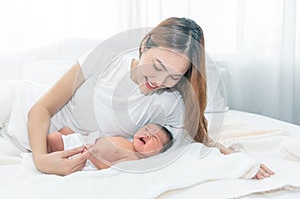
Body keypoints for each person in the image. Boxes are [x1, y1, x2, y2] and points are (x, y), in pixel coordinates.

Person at [27, 17, 274, 179]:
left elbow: (198, 140)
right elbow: (41, 108)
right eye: (157, 65)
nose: (159, 81)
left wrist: (238, 160)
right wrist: (41, 160)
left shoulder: (169, 102)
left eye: (173, 76)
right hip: (32, 120)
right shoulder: (106, 58)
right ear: (145, 45)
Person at [47, 124, 174, 170]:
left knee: (53, 138)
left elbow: (108, 167)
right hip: (86, 142)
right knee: (65, 130)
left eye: (154, 137)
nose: (147, 134)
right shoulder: (128, 142)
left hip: (85, 157)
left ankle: (45, 155)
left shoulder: (133, 157)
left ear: (157, 153)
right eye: (146, 129)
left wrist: (92, 156)